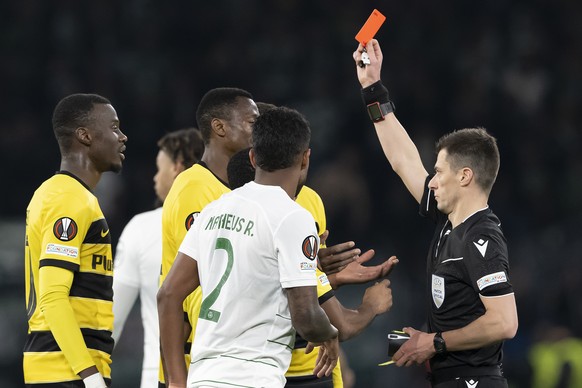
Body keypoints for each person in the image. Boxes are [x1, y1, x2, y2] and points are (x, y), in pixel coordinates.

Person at [353, 39, 518, 387]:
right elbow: (404, 161)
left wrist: (434, 342)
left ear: (465, 176)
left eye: (439, 172)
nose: (431, 181)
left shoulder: (480, 238)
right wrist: (372, 88)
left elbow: (504, 322)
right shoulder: (449, 221)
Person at [158, 106, 340, 388]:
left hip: (203, 377)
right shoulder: (294, 217)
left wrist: (176, 382)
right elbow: (305, 315)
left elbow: (168, 294)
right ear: (305, 159)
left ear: (252, 157)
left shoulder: (213, 210)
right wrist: (328, 333)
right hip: (254, 376)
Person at [227, 146, 396, 387]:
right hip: (281, 371)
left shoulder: (219, 221)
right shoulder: (290, 222)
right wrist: (372, 305)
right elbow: (337, 324)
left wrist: (325, 276)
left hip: (225, 367)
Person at [23, 93, 128, 388]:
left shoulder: (62, 194)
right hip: (66, 372)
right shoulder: (69, 198)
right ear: (85, 135)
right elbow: (53, 297)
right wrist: (90, 376)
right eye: (114, 127)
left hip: (64, 369)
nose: (122, 137)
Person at [157, 87, 260, 386]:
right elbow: (201, 283)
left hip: (228, 358)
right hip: (198, 363)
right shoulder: (194, 188)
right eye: (253, 122)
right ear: (219, 127)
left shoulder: (238, 191)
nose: (260, 131)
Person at [112, 128, 204, 388]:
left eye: (158, 168)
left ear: (176, 167)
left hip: (160, 377)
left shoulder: (141, 228)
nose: (155, 178)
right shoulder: (234, 220)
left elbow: (110, 320)